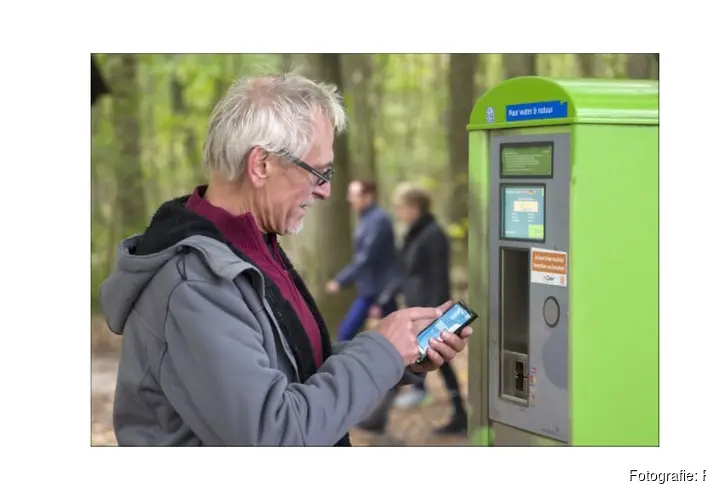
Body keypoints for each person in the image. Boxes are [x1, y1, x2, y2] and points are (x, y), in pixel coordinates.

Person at [99, 73, 472, 446]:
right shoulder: (194, 283)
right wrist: (382, 351)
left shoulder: (251, 248)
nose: (326, 191)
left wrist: (397, 356)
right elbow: (277, 434)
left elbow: (294, 373)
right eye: (318, 172)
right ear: (261, 164)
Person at [358, 182, 469, 435]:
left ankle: (379, 416)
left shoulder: (433, 235)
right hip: (417, 309)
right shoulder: (414, 234)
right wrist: (385, 297)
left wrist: (436, 318)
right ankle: (459, 414)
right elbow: (404, 272)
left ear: (415, 207)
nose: (397, 211)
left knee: (410, 359)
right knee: (435, 363)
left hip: (428, 313)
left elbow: (437, 277)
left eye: (401, 206)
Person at [325, 179, 400, 342]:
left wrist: (340, 281)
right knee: (392, 338)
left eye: (354, 195)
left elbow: (367, 257)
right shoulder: (367, 219)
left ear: (368, 197)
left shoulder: (378, 221)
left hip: (379, 291)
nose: (349, 199)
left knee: (346, 334)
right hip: (370, 290)